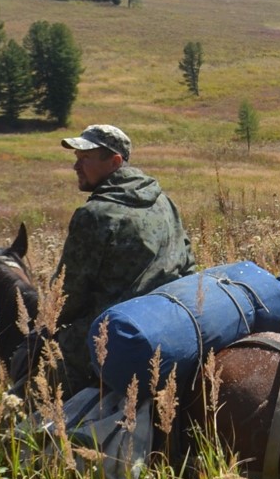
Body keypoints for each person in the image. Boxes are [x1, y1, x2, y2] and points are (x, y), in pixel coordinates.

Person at [49, 123, 196, 395]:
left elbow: (68, 295)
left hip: (111, 334)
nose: (76, 167)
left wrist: (47, 327)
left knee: (36, 382)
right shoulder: (164, 201)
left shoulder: (95, 215)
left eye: (85, 159)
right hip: (170, 323)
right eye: (76, 159)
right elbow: (188, 264)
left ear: (115, 161)